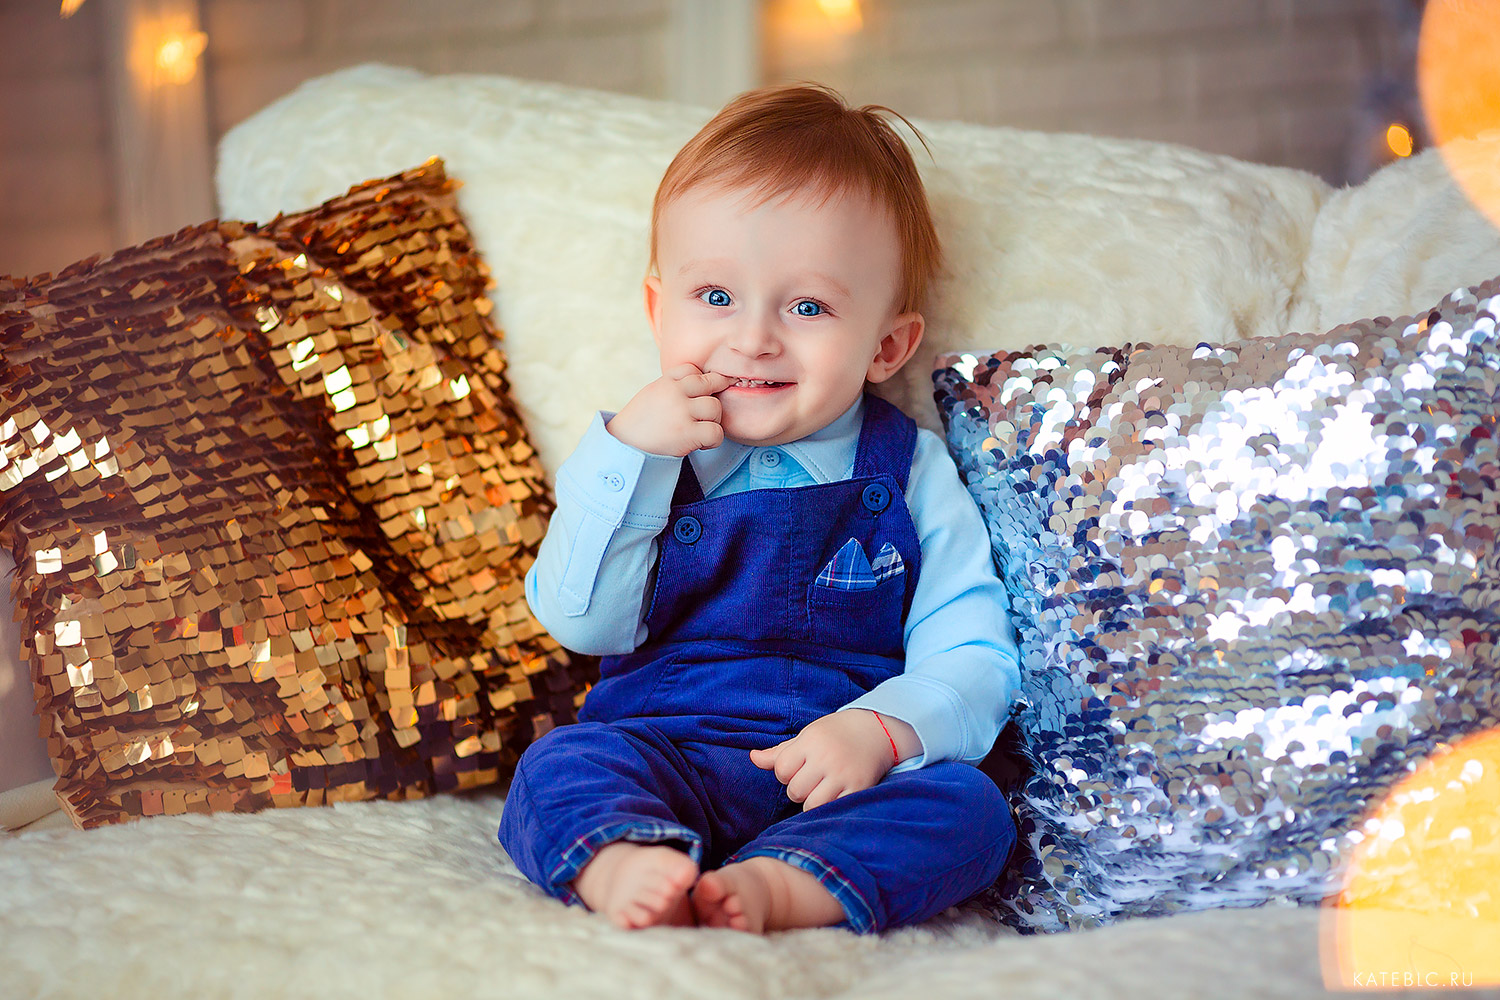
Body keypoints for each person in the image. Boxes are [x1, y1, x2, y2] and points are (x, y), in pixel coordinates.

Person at [499, 83, 1021, 934]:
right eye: (715, 297)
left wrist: (883, 731)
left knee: (972, 810)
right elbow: (580, 622)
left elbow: (972, 651)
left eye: (808, 307)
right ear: (657, 310)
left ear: (886, 345)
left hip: (839, 774)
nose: (753, 339)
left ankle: (782, 885)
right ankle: (624, 857)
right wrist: (630, 456)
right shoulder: (634, 457)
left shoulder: (913, 471)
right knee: (558, 763)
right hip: (660, 750)